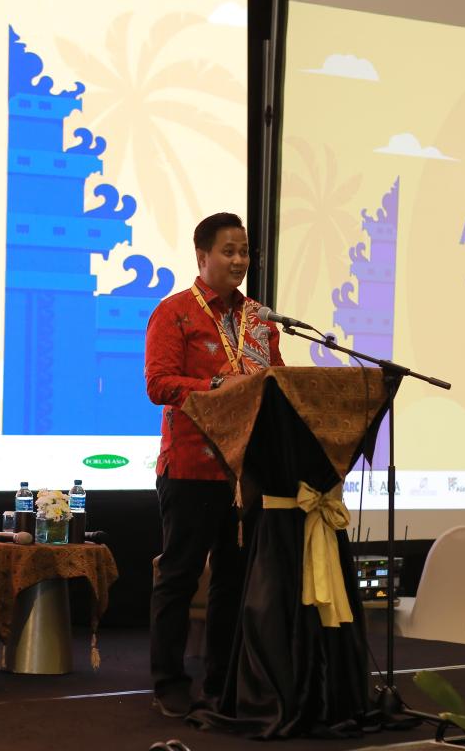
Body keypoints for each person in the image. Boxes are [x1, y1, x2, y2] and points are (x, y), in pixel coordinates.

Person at [144, 212, 284, 718]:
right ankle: (168, 682)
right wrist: (218, 385)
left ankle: (223, 681)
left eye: (244, 251)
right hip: (191, 467)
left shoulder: (259, 320)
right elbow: (159, 384)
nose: (239, 260)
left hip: (245, 470)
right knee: (179, 577)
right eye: (229, 251)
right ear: (202, 256)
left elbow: (277, 380)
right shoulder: (175, 313)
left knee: (234, 579)